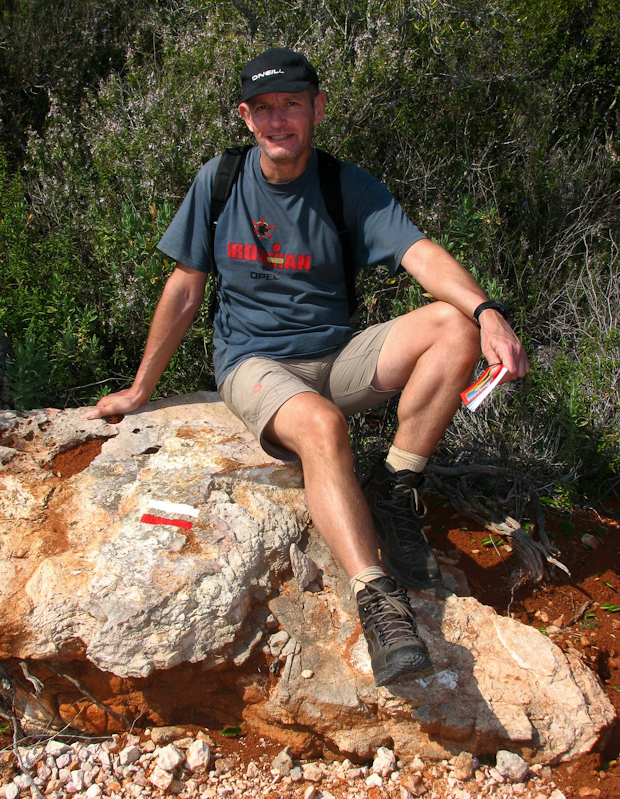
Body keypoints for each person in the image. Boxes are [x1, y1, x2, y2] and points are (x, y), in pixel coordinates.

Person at [87, 48, 529, 687]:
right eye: (263, 108)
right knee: (321, 426)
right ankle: (378, 599)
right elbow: (185, 288)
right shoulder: (220, 181)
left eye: (291, 103)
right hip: (255, 363)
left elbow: (419, 252)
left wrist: (487, 310)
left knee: (453, 326)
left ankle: (396, 487)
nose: (278, 120)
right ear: (245, 117)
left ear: (317, 108)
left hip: (336, 355)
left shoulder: (341, 183)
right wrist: (139, 388)